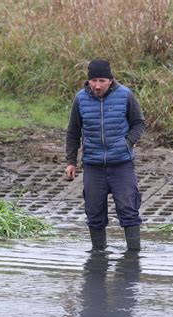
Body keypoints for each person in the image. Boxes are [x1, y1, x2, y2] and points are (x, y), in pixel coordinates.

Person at [65, 59, 146, 251]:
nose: (97, 85)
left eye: (102, 80)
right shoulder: (80, 99)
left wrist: (126, 143)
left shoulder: (125, 95)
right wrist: (71, 162)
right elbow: (73, 132)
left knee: (128, 210)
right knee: (94, 213)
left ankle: (133, 258)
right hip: (93, 165)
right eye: (94, 81)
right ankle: (98, 256)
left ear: (110, 80)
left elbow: (139, 123)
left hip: (122, 164)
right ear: (89, 81)